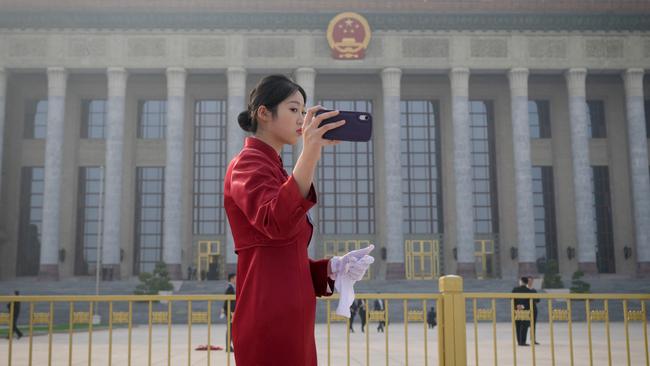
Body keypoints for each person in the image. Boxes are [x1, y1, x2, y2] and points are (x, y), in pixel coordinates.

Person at [223, 74, 374, 366]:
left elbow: (285, 258)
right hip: (267, 318)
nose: (302, 119)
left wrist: (330, 268)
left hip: (292, 319)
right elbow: (275, 221)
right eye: (294, 110)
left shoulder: (276, 170)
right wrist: (311, 152)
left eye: (304, 112)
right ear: (264, 113)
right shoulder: (247, 163)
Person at [512, 277, 532, 346]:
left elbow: (512, 299)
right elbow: (531, 301)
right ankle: (523, 341)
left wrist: (517, 306)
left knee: (518, 326)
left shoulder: (515, 289)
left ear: (521, 281)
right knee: (524, 326)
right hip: (525, 311)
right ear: (526, 282)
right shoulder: (528, 290)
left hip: (517, 310)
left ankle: (519, 341)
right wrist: (523, 307)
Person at [220, 273, 237, 352]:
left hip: (232, 311)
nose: (236, 280)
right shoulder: (229, 288)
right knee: (230, 329)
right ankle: (228, 346)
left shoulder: (232, 287)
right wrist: (224, 309)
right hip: (230, 311)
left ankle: (232, 346)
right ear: (231, 279)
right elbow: (227, 300)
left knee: (232, 329)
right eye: (235, 278)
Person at [527, 276, 540, 345]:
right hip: (526, 309)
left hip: (534, 309)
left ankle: (533, 339)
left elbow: (538, 300)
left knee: (533, 325)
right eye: (529, 280)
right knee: (524, 325)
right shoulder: (524, 290)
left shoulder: (534, 290)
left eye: (531, 281)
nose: (530, 282)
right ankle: (522, 340)